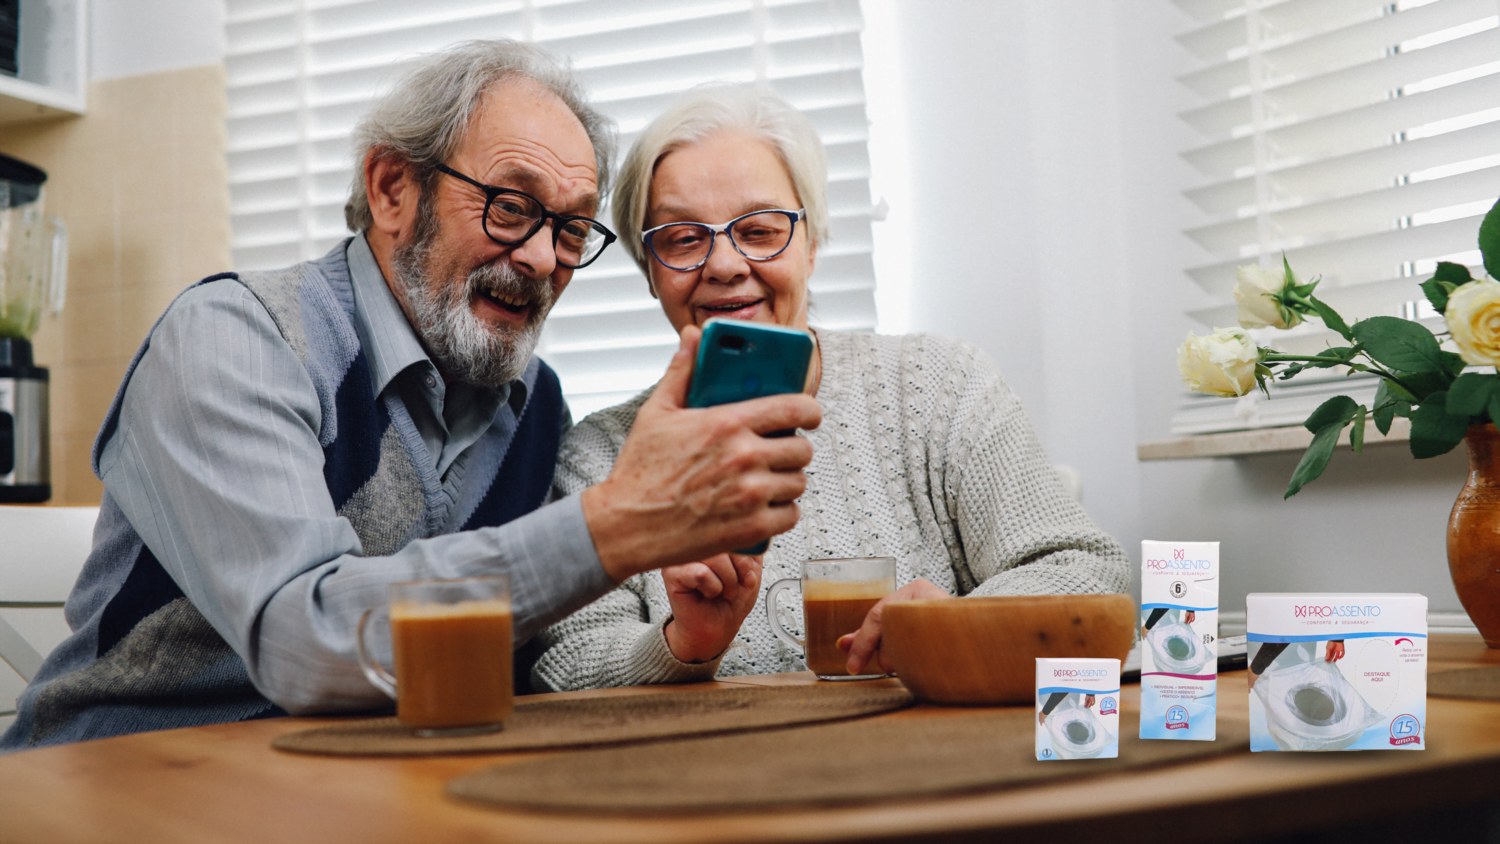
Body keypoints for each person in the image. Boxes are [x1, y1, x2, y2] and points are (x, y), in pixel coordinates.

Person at [0, 42, 820, 752]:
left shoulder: (537, 410)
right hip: (121, 783)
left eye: (571, 229)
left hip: (358, 794)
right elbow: (307, 642)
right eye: (510, 206)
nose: (541, 258)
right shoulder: (235, 338)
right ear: (393, 189)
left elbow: (515, 662)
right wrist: (618, 523)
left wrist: (678, 637)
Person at [531, 85, 1130, 691]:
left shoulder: (941, 384)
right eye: (683, 239)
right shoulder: (599, 455)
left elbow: (1084, 568)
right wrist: (682, 645)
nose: (724, 265)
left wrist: (953, 622)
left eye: (761, 230)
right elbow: (563, 669)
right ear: (651, 272)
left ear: (812, 245)